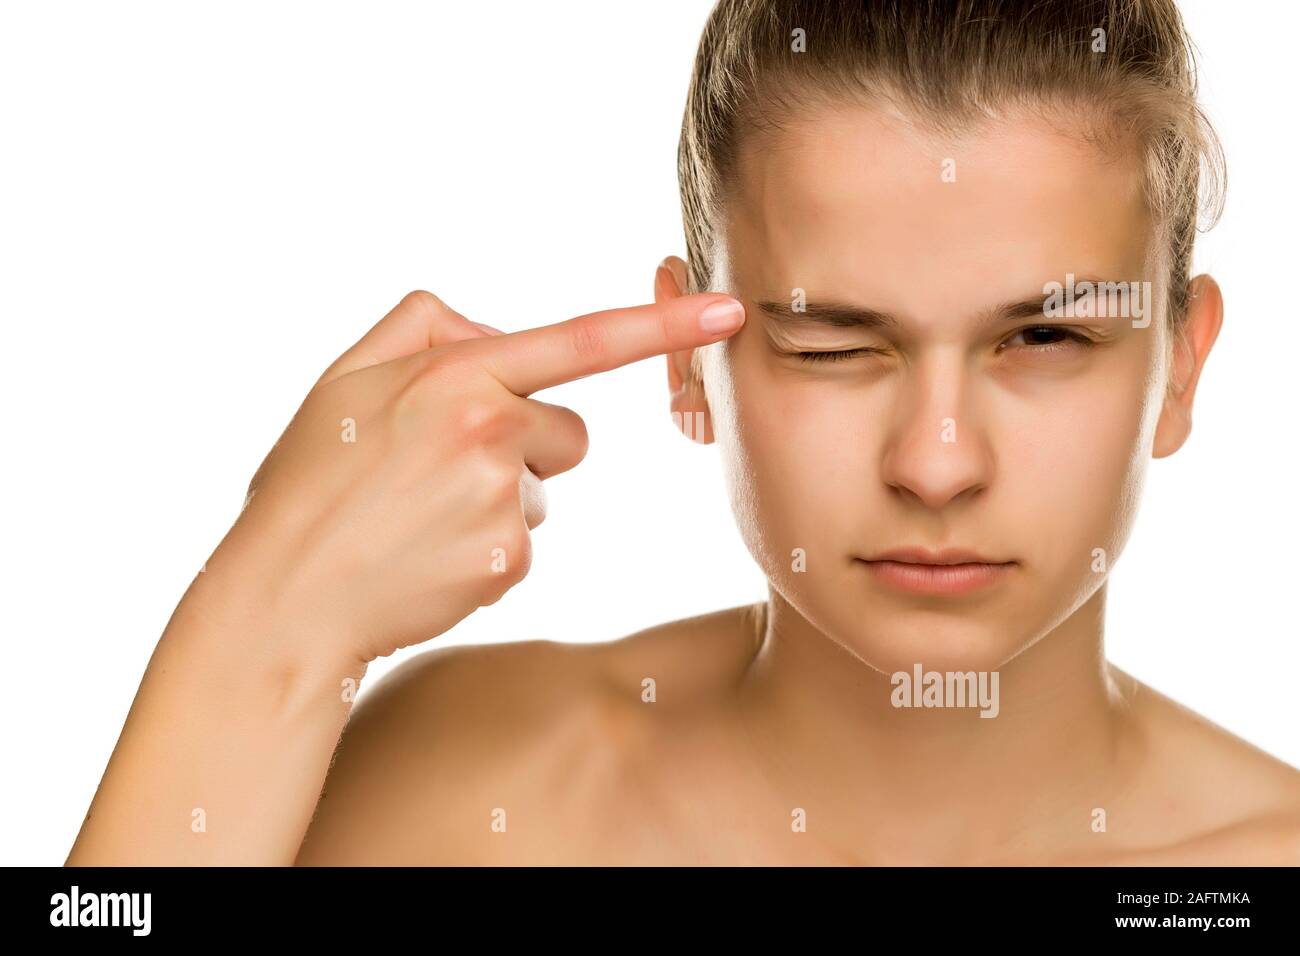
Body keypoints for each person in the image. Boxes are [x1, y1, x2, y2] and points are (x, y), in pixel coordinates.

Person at [68, 0, 1299, 866]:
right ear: (689, 359)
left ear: (1180, 365)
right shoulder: (470, 789)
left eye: (1042, 340)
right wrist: (265, 622)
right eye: (833, 344)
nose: (935, 462)